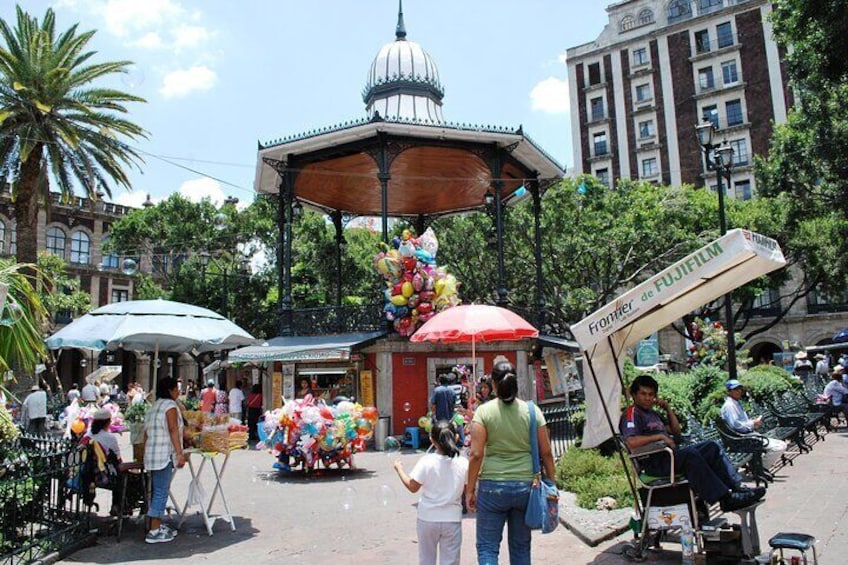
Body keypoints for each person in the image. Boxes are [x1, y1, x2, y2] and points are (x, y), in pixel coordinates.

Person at [621, 374, 765, 513]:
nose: (647, 398)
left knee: (711, 447)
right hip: (654, 462)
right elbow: (631, 441)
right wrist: (659, 436)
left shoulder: (652, 414)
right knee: (691, 455)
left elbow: (676, 432)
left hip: (670, 457)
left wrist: (667, 408)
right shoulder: (632, 413)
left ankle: (737, 487)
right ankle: (725, 499)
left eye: (651, 394)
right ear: (634, 395)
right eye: (643, 394)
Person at [465, 361, 555, 565]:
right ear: (516, 381)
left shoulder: (483, 412)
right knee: (521, 548)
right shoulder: (532, 411)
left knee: (488, 548)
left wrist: (470, 490)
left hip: (492, 487)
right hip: (526, 487)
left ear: (494, 385)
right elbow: (547, 452)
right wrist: (553, 483)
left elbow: (476, 454)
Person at [393, 420, 468, 565]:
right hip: (452, 519)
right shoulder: (463, 462)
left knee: (426, 560)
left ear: (432, 440)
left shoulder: (426, 461)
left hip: (427, 518)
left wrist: (399, 469)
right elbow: (467, 488)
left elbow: (412, 487)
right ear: (456, 438)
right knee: (451, 561)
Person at [143, 377, 186, 544]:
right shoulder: (170, 406)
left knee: (157, 490)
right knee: (161, 491)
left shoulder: (153, 407)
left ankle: (157, 525)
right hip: (163, 454)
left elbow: (145, 433)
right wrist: (179, 453)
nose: (178, 392)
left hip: (151, 454)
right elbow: (173, 429)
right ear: (169, 390)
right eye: (176, 389)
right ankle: (153, 531)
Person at [720, 379, 786, 468]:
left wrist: (753, 423)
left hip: (748, 436)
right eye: (736, 389)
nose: (739, 391)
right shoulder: (730, 406)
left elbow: (741, 423)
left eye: (740, 389)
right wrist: (752, 424)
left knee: (781, 444)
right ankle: (759, 469)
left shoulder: (736, 403)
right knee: (778, 448)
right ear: (729, 392)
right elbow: (736, 425)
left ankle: (758, 468)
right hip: (743, 439)